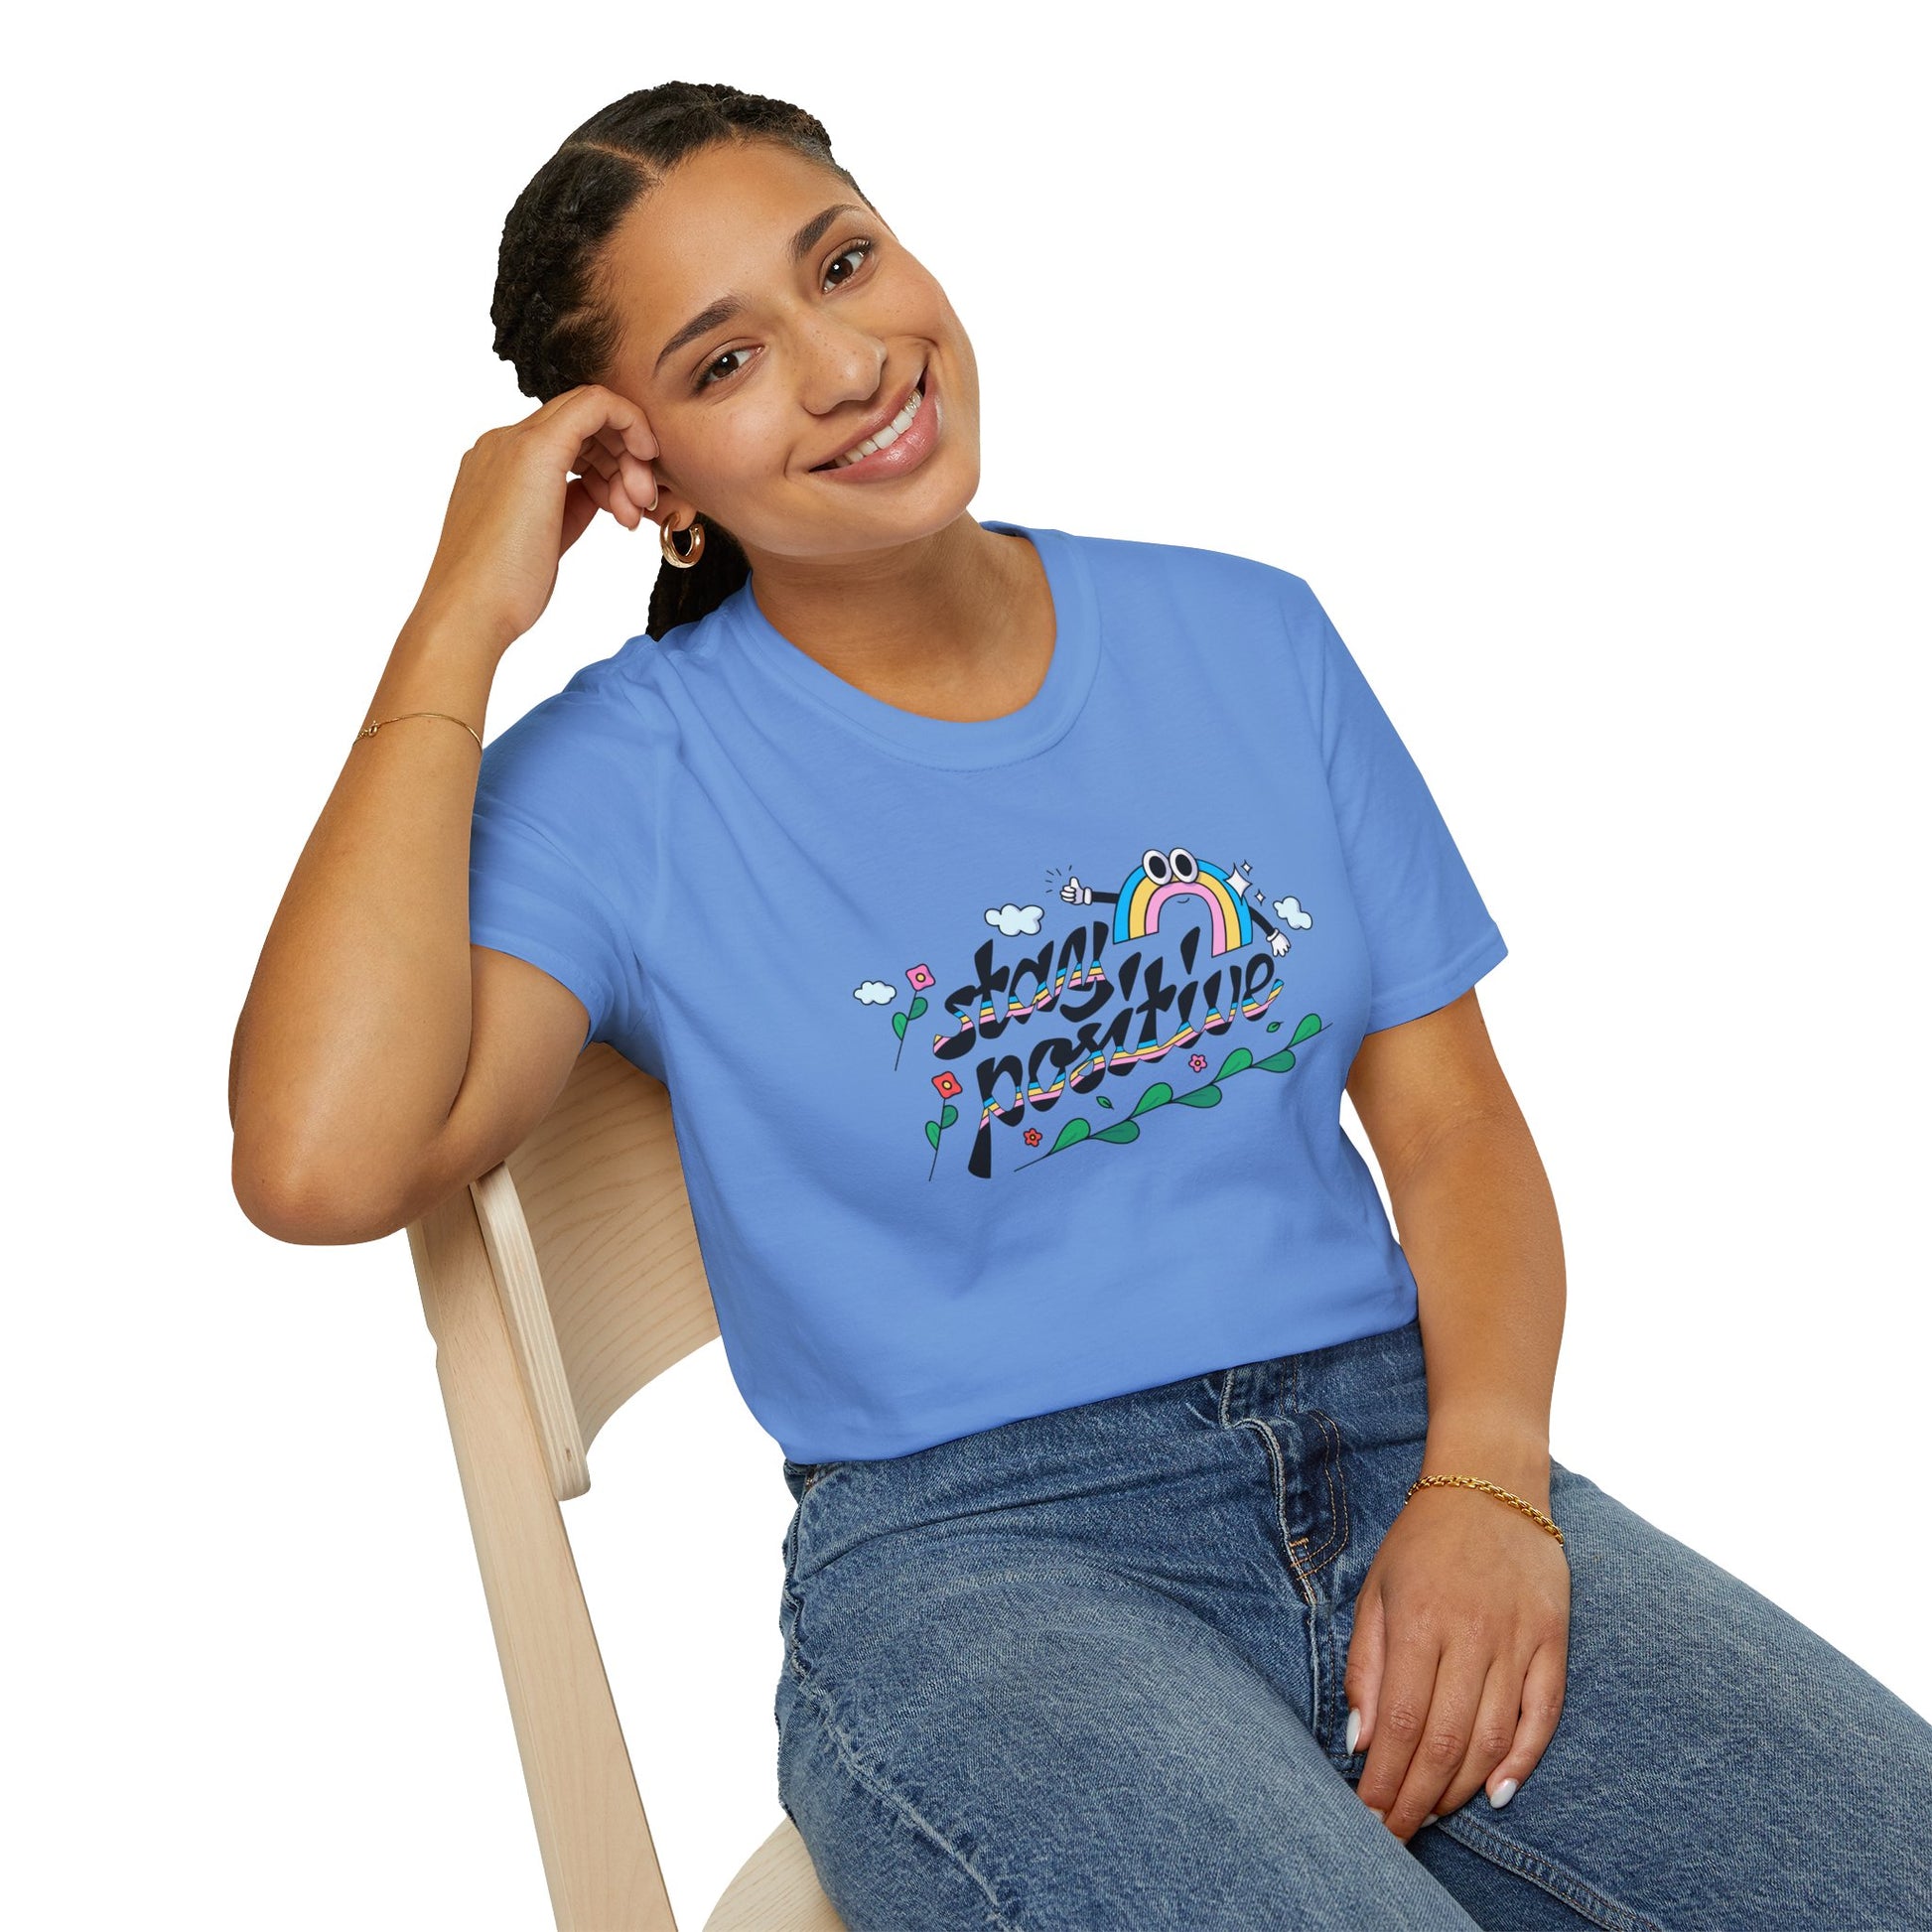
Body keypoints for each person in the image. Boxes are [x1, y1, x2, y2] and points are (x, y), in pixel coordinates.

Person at [228, 80, 1932, 1931]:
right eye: (726, 361)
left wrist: (1489, 1483)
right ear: (650, 480)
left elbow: (1452, 1129)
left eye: (843, 264)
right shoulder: (627, 780)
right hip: (982, 1566)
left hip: (1404, 1448)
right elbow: (319, 1161)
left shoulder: (1250, 637)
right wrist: (457, 618)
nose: (846, 365)